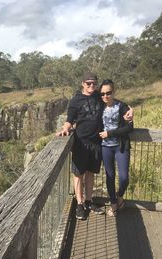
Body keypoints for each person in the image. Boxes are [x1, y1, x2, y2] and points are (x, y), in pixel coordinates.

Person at [57, 72, 132, 220]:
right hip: (80, 142)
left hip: (96, 143)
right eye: (88, 83)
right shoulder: (76, 100)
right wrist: (65, 128)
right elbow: (70, 119)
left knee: (90, 173)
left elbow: (114, 102)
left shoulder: (99, 96)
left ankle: (89, 201)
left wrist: (130, 111)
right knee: (78, 174)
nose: (91, 86)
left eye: (94, 83)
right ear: (82, 84)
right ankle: (79, 204)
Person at [98, 79, 133, 217]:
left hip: (120, 146)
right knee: (110, 176)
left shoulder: (122, 106)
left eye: (108, 93)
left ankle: (119, 196)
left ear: (114, 92)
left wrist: (109, 133)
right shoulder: (100, 106)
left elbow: (129, 128)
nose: (105, 96)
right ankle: (113, 203)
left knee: (124, 177)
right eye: (103, 94)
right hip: (105, 147)